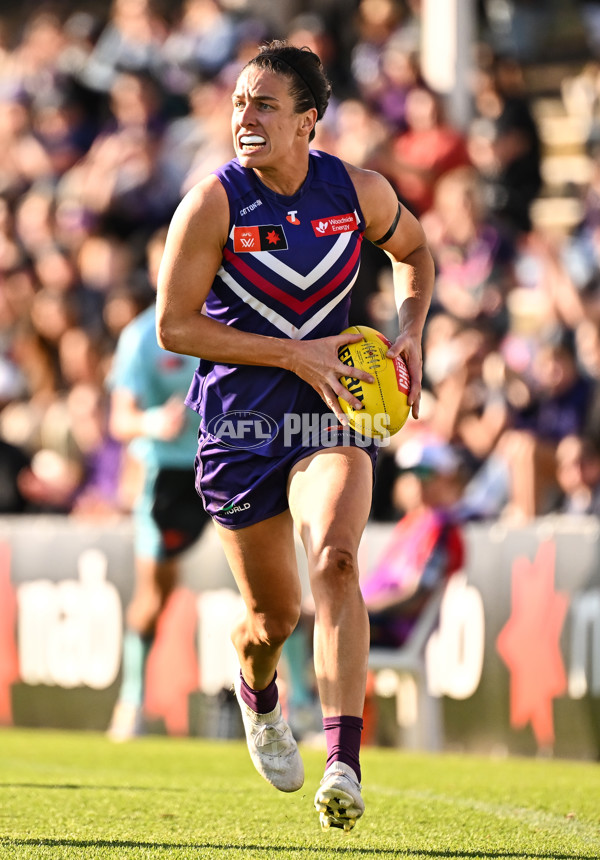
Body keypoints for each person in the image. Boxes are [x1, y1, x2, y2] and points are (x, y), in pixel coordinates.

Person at [156, 40, 434, 831]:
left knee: (338, 563)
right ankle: (259, 690)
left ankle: (342, 761)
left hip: (331, 410)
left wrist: (409, 330)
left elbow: (414, 250)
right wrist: (293, 352)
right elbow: (174, 327)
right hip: (240, 424)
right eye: (240, 102)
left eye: (265, 104)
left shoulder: (356, 191)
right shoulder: (211, 204)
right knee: (270, 622)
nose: (245, 115)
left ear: (308, 121)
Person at [107, 227, 209, 741]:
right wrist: (153, 423)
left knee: (275, 591)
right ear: (154, 272)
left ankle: (299, 704)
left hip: (231, 466)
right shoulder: (142, 337)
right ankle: (131, 704)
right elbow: (120, 419)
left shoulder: (227, 323)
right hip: (169, 475)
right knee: (154, 595)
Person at [363, 439, 465, 650]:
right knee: (299, 616)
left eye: (425, 472)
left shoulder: (441, 525)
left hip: (399, 629)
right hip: (375, 616)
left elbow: (417, 597)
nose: (416, 481)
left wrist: (359, 610)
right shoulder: (409, 524)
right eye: (408, 472)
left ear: (445, 478)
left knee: (310, 621)